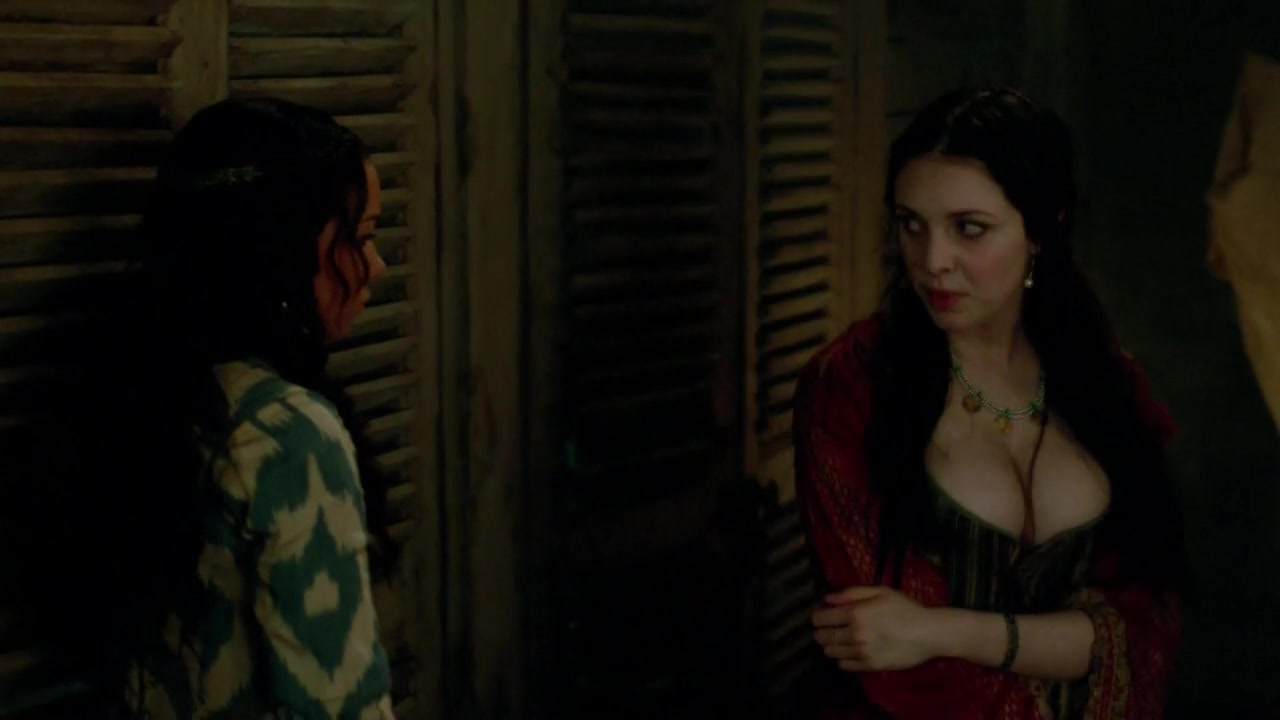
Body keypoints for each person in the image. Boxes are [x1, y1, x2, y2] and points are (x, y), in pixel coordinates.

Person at [792, 87, 1189, 719]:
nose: (932, 261)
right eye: (911, 223)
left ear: (1041, 230)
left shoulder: (1105, 381)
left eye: (968, 229)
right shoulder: (851, 385)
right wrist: (1063, 647)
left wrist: (942, 629)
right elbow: (882, 645)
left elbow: (1147, 623)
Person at [18, 97, 398, 718]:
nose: (377, 267)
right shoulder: (288, 436)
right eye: (362, 237)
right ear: (280, 251)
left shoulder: (127, 400)